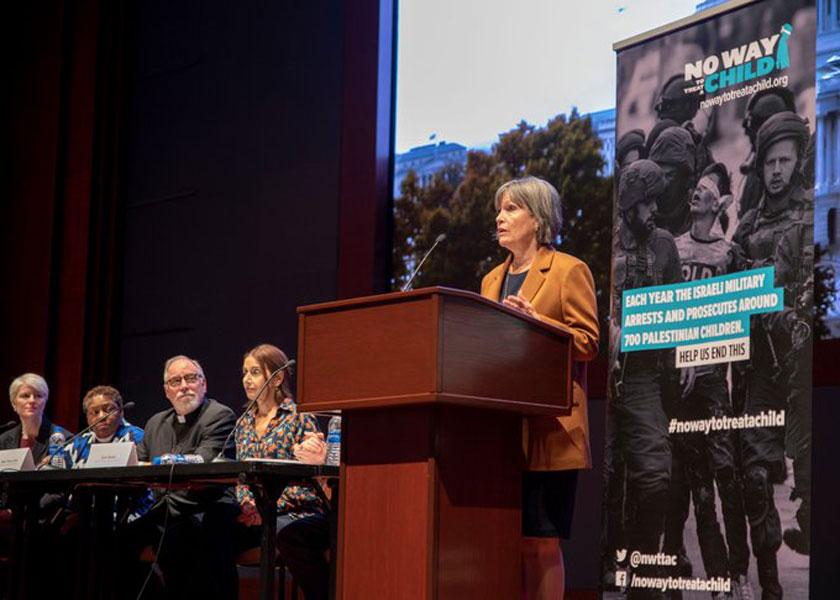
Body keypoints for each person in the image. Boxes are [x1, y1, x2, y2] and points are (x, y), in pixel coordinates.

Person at [480, 176, 599, 600]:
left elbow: (587, 342)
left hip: (553, 427)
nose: (500, 217)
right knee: (513, 542)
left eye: (512, 209)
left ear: (538, 218)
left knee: (542, 542)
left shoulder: (569, 270)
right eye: (500, 209)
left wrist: (538, 321)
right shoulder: (491, 281)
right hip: (504, 432)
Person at [731, 111, 812, 600]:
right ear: (760, 168)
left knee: (811, 471)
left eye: (786, 160)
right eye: (770, 162)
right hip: (759, 363)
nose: (778, 170)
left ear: (799, 159)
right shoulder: (746, 227)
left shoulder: (814, 214)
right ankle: (770, 584)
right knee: (756, 475)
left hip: (804, 365)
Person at [665, 175, 752, 599]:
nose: (696, 190)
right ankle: (718, 577)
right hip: (682, 382)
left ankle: (739, 573)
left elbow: (742, 317)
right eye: (694, 186)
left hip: (714, 376)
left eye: (705, 188)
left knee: (727, 478)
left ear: (719, 204)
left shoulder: (730, 254)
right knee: (699, 490)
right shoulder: (674, 250)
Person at [609, 160, 683, 598]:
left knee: (655, 478)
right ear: (631, 202)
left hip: (642, 376)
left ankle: (642, 581)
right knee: (604, 484)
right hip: (602, 376)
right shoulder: (609, 250)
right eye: (648, 200)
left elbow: (676, 312)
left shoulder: (665, 247)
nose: (654, 208)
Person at [130, 355, 238, 600]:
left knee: (181, 540)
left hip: (206, 506)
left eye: (191, 378)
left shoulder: (219, 415)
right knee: (113, 540)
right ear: (167, 390)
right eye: (175, 381)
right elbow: (139, 463)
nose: (184, 386)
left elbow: (204, 462)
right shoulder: (156, 423)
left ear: (204, 384)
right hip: (166, 510)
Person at [234, 343, 330, 600]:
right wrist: (248, 505)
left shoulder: (299, 417)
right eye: (244, 372)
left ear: (277, 378)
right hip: (256, 514)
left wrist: (267, 507)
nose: (247, 379)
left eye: (255, 372)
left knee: (283, 533)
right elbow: (242, 476)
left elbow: (308, 479)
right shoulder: (243, 423)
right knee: (212, 533)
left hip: (294, 512)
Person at [0, 373, 71, 464]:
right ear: (14, 403)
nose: (32, 400)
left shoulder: (63, 439)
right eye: (25, 396)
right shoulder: (3, 441)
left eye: (38, 396)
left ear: (45, 402)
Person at [67, 385, 144, 468]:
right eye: (95, 412)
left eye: (109, 410)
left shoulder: (137, 438)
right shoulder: (77, 445)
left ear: (121, 411)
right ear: (87, 417)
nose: (101, 416)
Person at [648, 126, 697, 237]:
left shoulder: (698, 214)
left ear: (686, 177)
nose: (663, 183)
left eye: (670, 175)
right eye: (658, 174)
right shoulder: (643, 211)